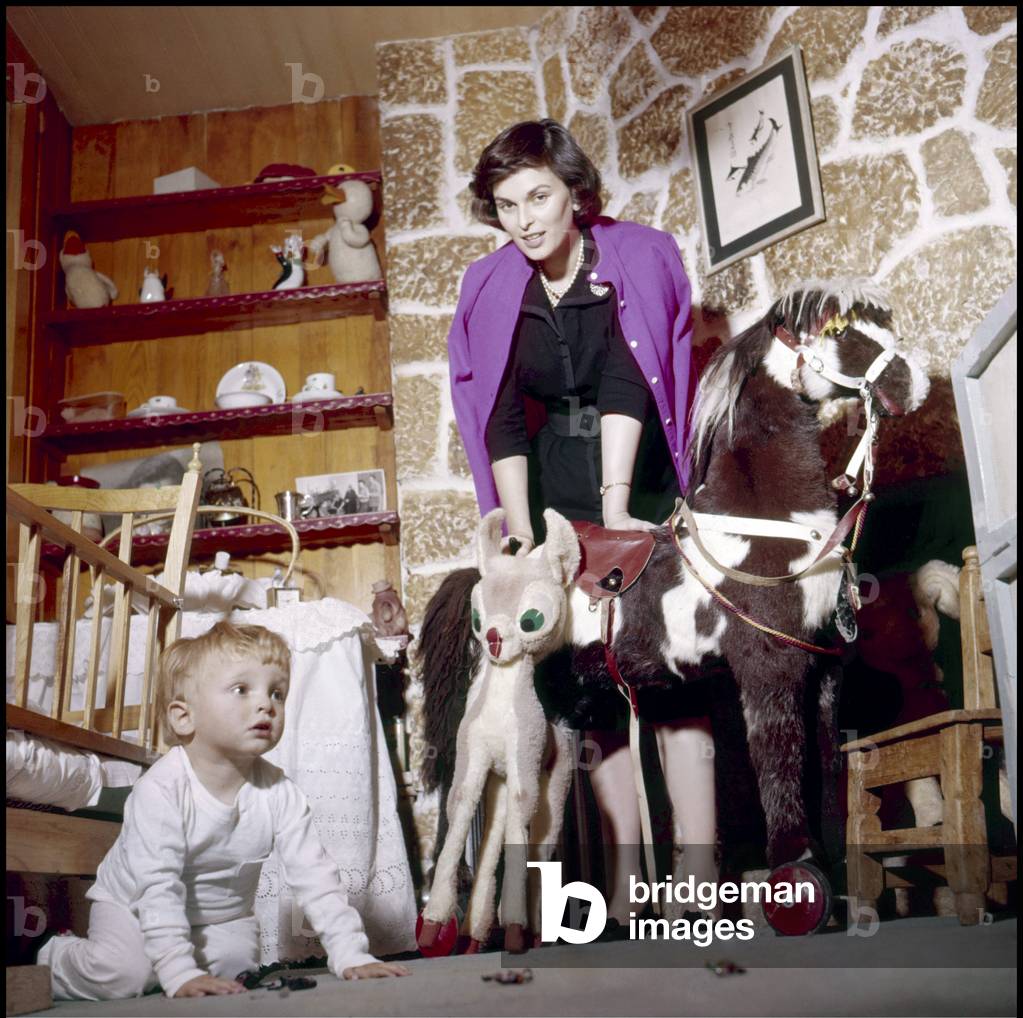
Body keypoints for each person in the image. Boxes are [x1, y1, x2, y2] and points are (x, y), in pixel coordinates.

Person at [447, 119, 717, 923]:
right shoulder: (488, 286)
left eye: (539, 196)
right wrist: (525, 534)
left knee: (668, 672)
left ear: (574, 192)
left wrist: (616, 511)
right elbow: (496, 418)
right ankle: (634, 886)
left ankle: (697, 876)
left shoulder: (638, 253)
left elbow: (630, 383)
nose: (526, 218)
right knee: (593, 686)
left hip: (635, 472)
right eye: (506, 204)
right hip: (549, 485)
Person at [39, 622, 410, 1000]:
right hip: (134, 905)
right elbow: (158, 885)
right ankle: (54, 957)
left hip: (222, 918)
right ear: (185, 717)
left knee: (235, 977)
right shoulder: (162, 789)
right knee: (124, 977)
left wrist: (351, 954)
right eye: (241, 689)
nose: (266, 703)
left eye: (277, 693)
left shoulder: (280, 792)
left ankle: (172, 960)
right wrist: (178, 970)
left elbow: (316, 877)